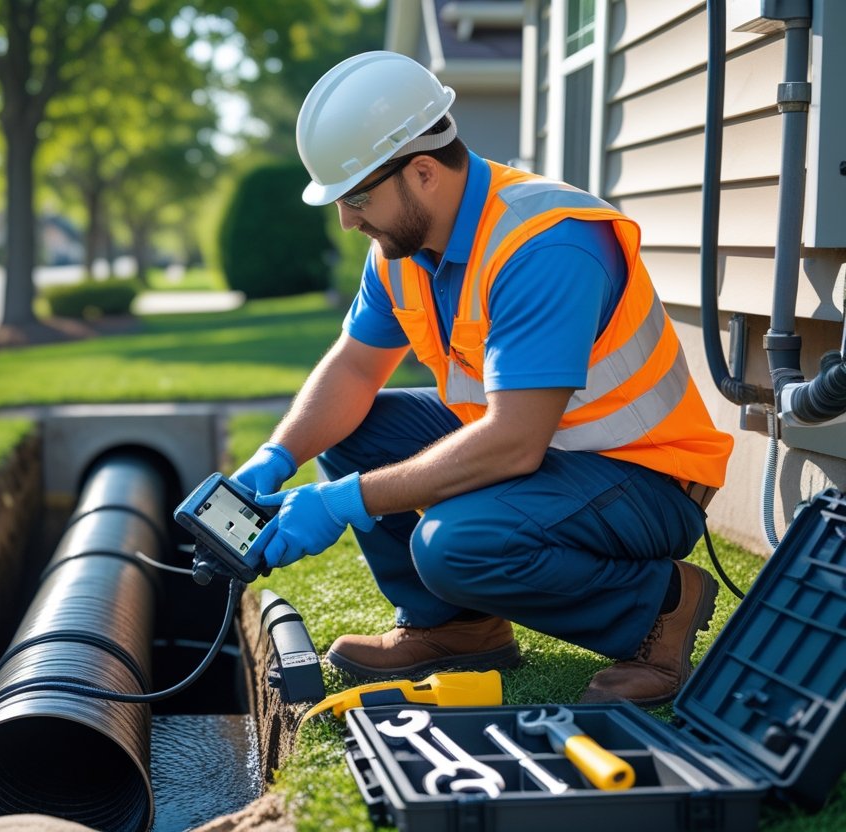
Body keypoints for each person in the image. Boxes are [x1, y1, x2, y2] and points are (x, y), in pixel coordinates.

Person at [233, 51, 733, 707]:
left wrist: (342, 502)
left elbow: (514, 444)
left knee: (456, 545)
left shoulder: (546, 243)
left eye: (356, 198)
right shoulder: (400, 251)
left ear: (422, 173)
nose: (348, 221)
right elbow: (355, 367)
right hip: (544, 457)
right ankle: (457, 631)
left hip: (643, 478)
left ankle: (660, 610)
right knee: (357, 429)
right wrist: (276, 457)